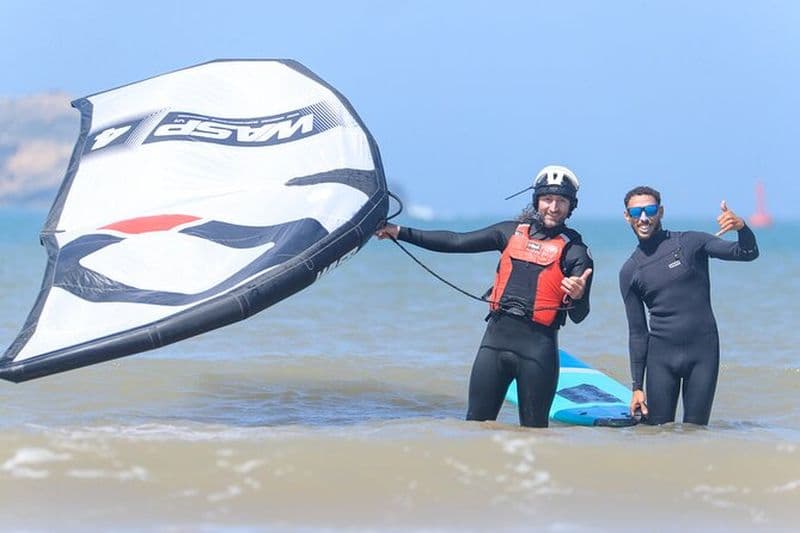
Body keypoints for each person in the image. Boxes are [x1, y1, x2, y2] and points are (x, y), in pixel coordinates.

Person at [376, 165, 593, 427]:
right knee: (474, 427)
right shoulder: (509, 233)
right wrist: (398, 231)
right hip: (493, 347)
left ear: (571, 206)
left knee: (535, 436)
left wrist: (578, 296)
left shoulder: (576, 252)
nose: (554, 207)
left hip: (538, 353)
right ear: (537, 201)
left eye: (561, 201)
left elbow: (580, 316)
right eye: (547, 199)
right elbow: (456, 241)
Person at [619, 186, 759, 425]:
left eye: (650, 209)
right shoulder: (630, 271)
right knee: (657, 434)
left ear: (660, 212)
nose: (644, 217)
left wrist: (742, 227)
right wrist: (637, 387)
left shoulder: (690, 243)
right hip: (660, 358)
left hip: (702, 354)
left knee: (696, 432)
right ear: (627, 216)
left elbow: (747, 253)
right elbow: (638, 333)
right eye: (637, 211)